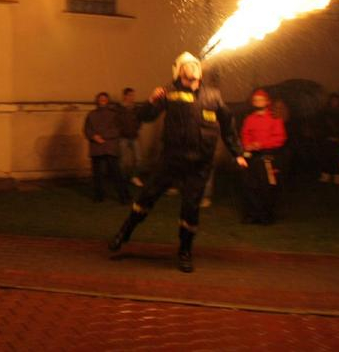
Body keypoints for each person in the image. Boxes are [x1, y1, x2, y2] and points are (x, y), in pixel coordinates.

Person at [108, 52, 246, 273]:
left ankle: (185, 252)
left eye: (193, 66)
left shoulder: (213, 96)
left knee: (191, 209)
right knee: (147, 196)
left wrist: (237, 152)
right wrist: (150, 101)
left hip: (199, 165)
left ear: (199, 71)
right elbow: (145, 116)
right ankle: (124, 233)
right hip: (171, 160)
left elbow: (228, 125)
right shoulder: (169, 93)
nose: (190, 70)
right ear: (179, 72)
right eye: (185, 68)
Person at [239, 89, 287, 224]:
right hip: (252, 157)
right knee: (250, 186)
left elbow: (280, 138)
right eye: (255, 100)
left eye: (261, 99)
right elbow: (245, 135)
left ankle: (266, 216)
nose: (258, 102)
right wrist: (248, 145)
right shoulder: (250, 119)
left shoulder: (275, 118)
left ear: (267, 101)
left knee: (266, 187)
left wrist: (262, 144)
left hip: (268, 157)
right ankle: (252, 215)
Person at [84, 92, 129, 203]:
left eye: (104, 99)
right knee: (97, 174)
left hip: (109, 147)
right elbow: (87, 129)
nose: (102, 100)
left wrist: (102, 136)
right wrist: (94, 136)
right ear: (97, 100)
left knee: (116, 173)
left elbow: (117, 129)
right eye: (100, 99)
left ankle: (123, 196)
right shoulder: (91, 114)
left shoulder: (114, 114)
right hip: (96, 148)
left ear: (107, 101)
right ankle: (99, 196)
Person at [319, 93, 339, 184]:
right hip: (327, 140)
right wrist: (327, 136)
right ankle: (326, 174)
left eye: (336, 100)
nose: (334, 102)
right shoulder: (325, 113)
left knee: (338, 157)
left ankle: (337, 175)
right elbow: (322, 126)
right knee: (327, 157)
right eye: (333, 100)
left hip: (338, 140)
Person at [118, 87, 144, 185]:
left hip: (134, 136)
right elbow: (116, 121)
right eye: (130, 95)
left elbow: (139, 120)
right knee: (122, 161)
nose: (132, 97)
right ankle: (122, 179)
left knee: (139, 159)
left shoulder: (136, 109)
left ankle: (134, 176)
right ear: (124, 96)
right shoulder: (120, 108)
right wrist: (120, 131)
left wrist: (136, 128)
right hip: (123, 137)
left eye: (133, 95)